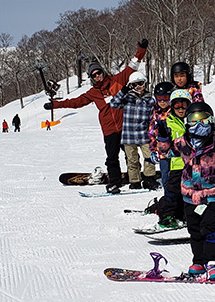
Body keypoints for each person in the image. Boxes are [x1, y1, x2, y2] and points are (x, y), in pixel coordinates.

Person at [45, 39, 149, 193]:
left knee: (130, 154)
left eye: (99, 72)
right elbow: (75, 102)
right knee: (112, 158)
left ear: (103, 72)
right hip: (109, 129)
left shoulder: (117, 80)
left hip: (124, 126)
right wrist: (55, 104)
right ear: (92, 78)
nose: (98, 76)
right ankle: (114, 182)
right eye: (94, 75)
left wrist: (141, 49)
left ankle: (135, 178)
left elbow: (133, 65)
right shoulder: (93, 93)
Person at [161, 102, 215, 280]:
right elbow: (163, 154)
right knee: (194, 228)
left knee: (210, 226)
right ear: (187, 122)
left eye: (204, 120)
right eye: (193, 120)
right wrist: (162, 138)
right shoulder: (183, 143)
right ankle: (199, 259)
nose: (198, 125)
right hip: (190, 195)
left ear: (211, 121)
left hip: (213, 195)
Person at [110, 71, 159, 191]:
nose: (139, 87)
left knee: (149, 157)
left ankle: (149, 178)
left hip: (144, 134)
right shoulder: (127, 97)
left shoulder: (150, 99)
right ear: (131, 85)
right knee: (132, 159)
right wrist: (123, 91)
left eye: (141, 83)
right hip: (129, 134)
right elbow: (113, 103)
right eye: (135, 84)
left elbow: (155, 114)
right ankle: (135, 181)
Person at [153, 89, 191, 227]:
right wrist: (163, 136)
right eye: (177, 105)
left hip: (193, 165)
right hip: (176, 165)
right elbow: (163, 147)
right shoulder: (168, 123)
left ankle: (185, 215)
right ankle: (165, 216)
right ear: (172, 106)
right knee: (172, 192)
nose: (181, 109)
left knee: (190, 193)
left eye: (184, 105)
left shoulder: (193, 120)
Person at [148, 81, 174, 188]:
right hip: (162, 151)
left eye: (165, 98)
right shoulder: (155, 113)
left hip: (175, 151)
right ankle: (167, 196)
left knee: (176, 175)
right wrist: (153, 150)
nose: (162, 101)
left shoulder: (175, 111)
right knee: (165, 174)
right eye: (159, 98)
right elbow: (152, 132)